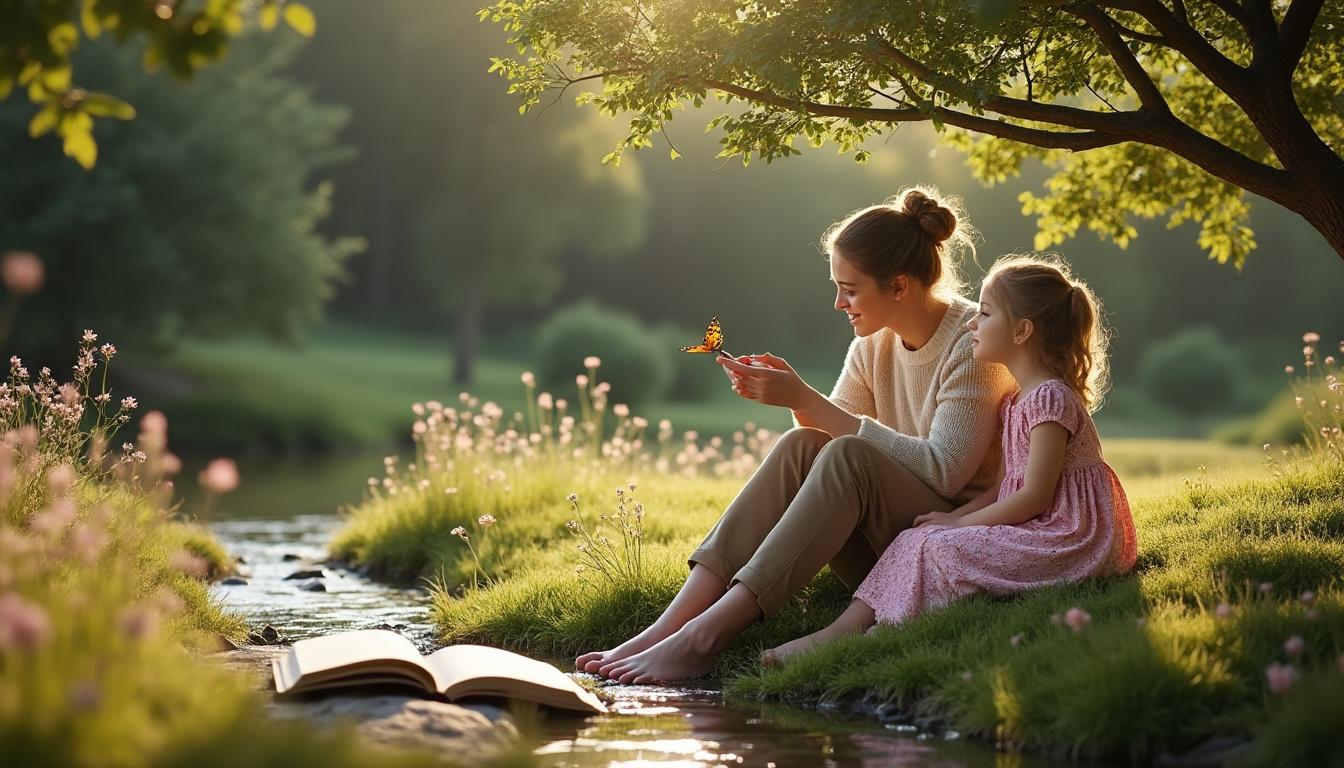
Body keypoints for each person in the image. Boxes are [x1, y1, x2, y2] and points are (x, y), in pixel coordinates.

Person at [574, 187, 1016, 684]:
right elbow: (824, 440)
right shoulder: (873, 343)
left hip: (943, 546)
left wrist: (808, 399)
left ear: (898, 286)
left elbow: (945, 471)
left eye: (849, 290)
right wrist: (794, 399)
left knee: (849, 456)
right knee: (801, 445)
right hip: (885, 543)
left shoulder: (973, 343)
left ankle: (705, 638)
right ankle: (668, 628)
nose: (838, 303)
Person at [760, 254, 1139, 666]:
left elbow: (1034, 497)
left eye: (986, 314)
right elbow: (1005, 485)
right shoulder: (1014, 401)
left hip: (1068, 537)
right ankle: (846, 629)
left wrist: (959, 524)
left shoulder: (1050, 399)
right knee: (917, 538)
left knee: (942, 549)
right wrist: (951, 519)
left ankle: (871, 631)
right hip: (1034, 525)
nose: (973, 323)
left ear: (1022, 331)